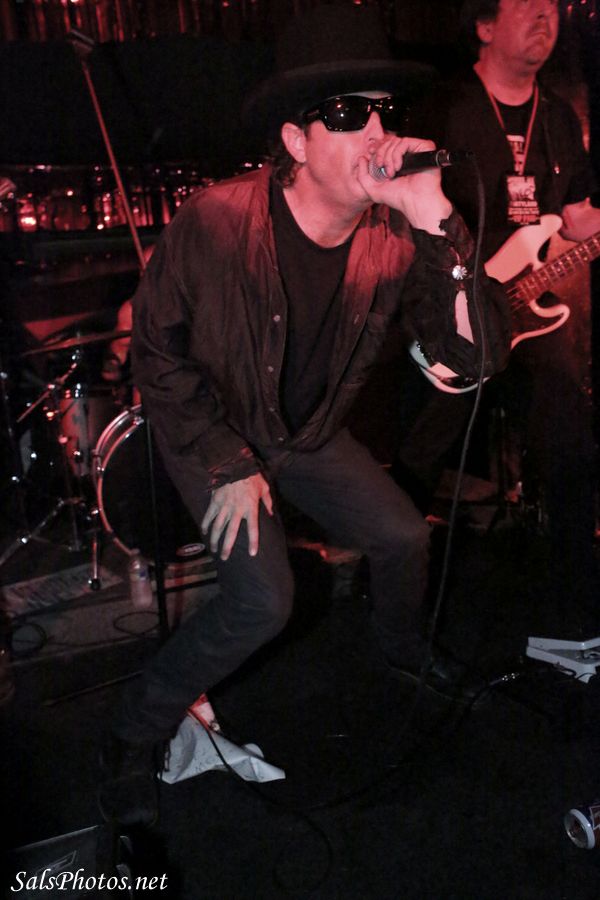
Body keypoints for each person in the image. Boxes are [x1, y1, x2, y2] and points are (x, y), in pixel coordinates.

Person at [97, 5, 511, 827]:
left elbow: (473, 359)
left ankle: (400, 649)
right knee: (264, 599)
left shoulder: (397, 235)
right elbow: (157, 353)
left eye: (384, 111)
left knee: (403, 535)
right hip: (213, 427)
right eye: (348, 113)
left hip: (308, 435)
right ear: (295, 140)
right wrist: (226, 461)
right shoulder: (217, 221)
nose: (377, 132)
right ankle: (131, 732)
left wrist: (436, 217)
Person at [394, 0, 599, 626]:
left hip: (529, 314)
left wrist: (583, 225)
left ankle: (573, 610)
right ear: (484, 26)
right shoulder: (443, 108)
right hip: (456, 303)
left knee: (570, 435)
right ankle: (395, 588)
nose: (544, 14)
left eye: (551, 5)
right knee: (424, 444)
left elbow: (573, 214)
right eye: (526, 2)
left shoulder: (558, 116)